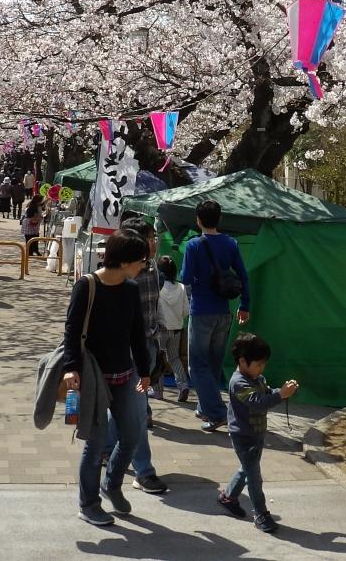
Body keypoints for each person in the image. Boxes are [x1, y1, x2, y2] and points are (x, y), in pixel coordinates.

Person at [61, 229, 152, 527]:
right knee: (96, 444)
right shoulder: (87, 286)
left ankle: (111, 484)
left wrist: (145, 371)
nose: (144, 266)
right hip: (93, 378)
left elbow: (137, 334)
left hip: (126, 375)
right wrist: (71, 367)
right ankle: (88, 504)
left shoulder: (131, 289)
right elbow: (72, 331)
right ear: (125, 261)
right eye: (141, 261)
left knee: (131, 435)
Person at [102, 218, 168, 496]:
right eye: (148, 239)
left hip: (147, 346)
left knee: (126, 408)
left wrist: (159, 337)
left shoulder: (151, 267)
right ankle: (143, 471)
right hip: (125, 352)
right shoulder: (120, 276)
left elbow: (154, 305)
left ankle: (106, 448)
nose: (153, 244)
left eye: (154, 238)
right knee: (138, 412)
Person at [179, 199, 251, 431]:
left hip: (201, 311)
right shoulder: (230, 243)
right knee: (213, 364)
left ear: (198, 220)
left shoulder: (193, 245)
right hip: (223, 312)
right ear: (219, 219)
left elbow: (186, 278)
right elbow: (243, 275)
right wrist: (244, 305)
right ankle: (205, 409)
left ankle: (218, 413)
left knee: (197, 367)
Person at [216, 333, 299, 534]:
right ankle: (261, 513)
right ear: (242, 361)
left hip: (256, 433)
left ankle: (228, 497)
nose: (262, 368)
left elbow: (266, 394)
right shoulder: (238, 383)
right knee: (254, 476)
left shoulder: (257, 378)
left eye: (264, 364)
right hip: (243, 436)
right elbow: (257, 402)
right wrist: (281, 395)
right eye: (259, 364)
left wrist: (282, 391)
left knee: (247, 469)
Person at [155, 255, 191, 402]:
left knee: (157, 359)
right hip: (176, 329)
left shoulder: (157, 287)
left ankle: (158, 391)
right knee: (174, 358)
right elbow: (186, 311)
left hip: (160, 329)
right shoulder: (181, 288)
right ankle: (183, 386)